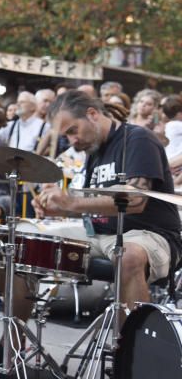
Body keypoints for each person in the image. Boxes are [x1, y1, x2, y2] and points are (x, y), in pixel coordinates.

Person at [33, 91, 181, 312]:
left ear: (92, 114)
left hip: (148, 234)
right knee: (24, 241)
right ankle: (13, 341)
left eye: (73, 131)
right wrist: (55, 208)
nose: (72, 141)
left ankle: (132, 344)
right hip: (100, 234)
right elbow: (95, 204)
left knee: (128, 255)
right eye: (67, 136)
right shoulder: (93, 149)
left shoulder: (138, 139)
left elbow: (135, 200)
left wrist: (71, 202)